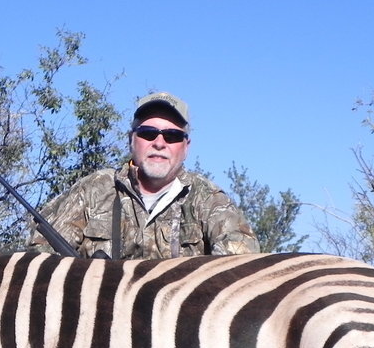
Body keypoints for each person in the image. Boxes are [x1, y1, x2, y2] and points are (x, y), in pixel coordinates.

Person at [28, 92, 260, 259]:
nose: (159, 143)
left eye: (171, 136)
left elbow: (241, 264)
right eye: (148, 133)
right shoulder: (93, 190)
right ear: (131, 140)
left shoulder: (208, 199)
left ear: (186, 147)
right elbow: (40, 258)